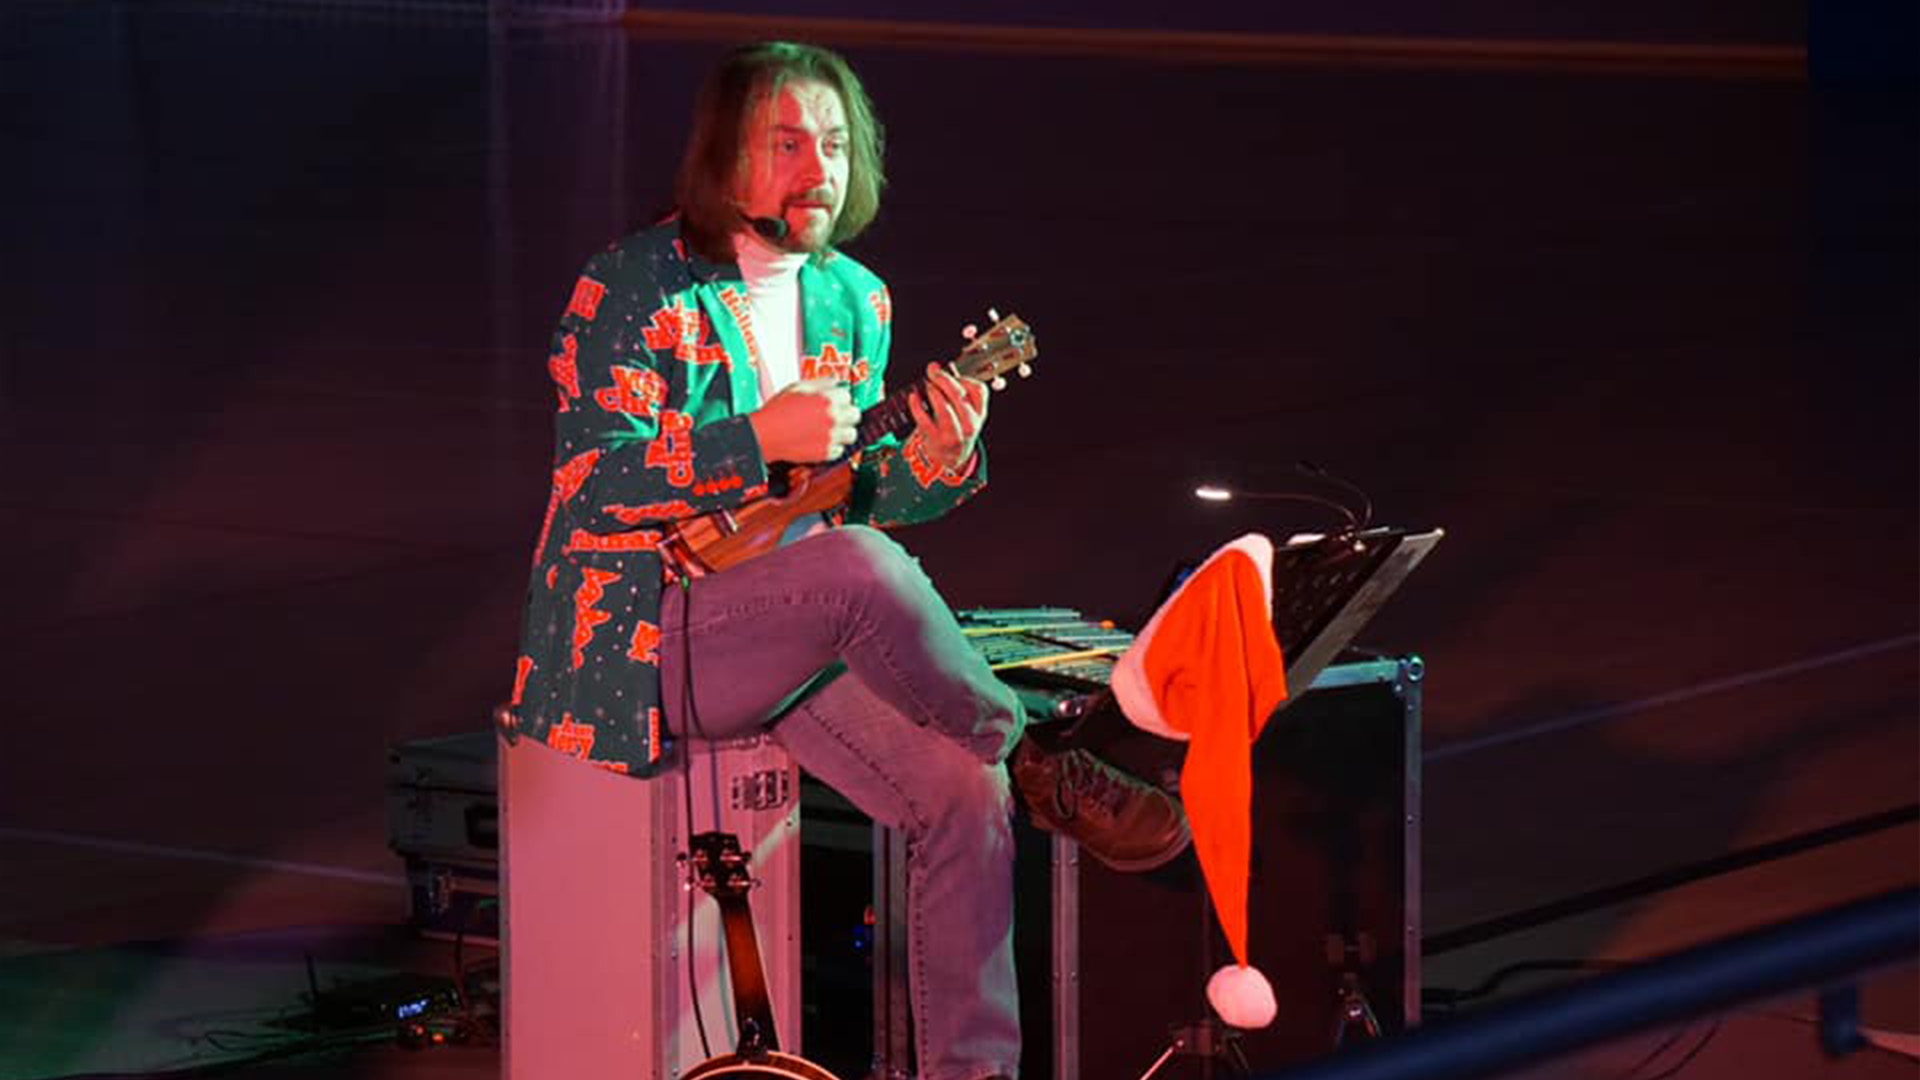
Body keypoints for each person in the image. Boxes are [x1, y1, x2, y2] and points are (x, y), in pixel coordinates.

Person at [504, 41, 1187, 1079]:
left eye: (833, 145)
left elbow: (850, 491)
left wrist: (938, 457)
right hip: (646, 634)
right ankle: (1037, 755)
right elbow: (593, 485)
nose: (817, 169)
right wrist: (754, 438)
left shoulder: (854, 300)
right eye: (786, 144)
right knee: (861, 568)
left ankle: (973, 1070)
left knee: (963, 794)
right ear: (724, 154)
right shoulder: (632, 287)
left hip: (793, 627)